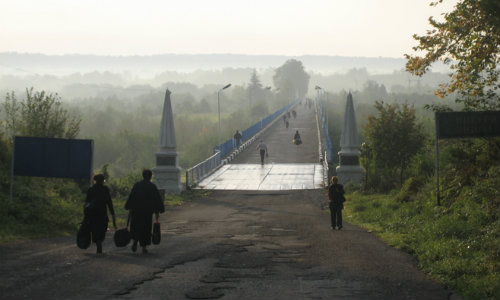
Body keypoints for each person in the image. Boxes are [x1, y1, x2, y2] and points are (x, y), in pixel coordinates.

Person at [125, 169, 165, 254]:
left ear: (143, 176)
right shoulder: (152, 186)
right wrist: (157, 211)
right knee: (146, 229)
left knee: (135, 227)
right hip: (147, 213)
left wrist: (129, 207)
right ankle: (144, 247)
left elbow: (132, 196)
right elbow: (156, 200)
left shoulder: (137, 185)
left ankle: (135, 241)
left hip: (136, 211)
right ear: (150, 177)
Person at [85, 174, 116, 254]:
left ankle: (97, 241)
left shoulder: (91, 189)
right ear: (103, 181)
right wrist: (112, 213)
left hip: (93, 213)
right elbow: (109, 202)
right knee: (103, 227)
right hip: (102, 213)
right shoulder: (105, 189)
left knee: (94, 228)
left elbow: (87, 203)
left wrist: (86, 214)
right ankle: (100, 241)